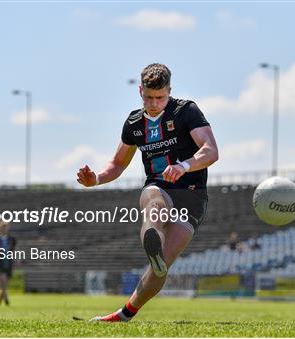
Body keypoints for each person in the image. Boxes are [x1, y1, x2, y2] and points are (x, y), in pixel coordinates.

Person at [77, 63, 218, 322]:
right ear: (140, 91)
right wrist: (95, 179)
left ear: (170, 91)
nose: (154, 103)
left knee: (161, 266)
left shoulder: (186, 111)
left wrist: (184, 166)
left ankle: (126, 312)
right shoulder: (133, 123)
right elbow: (118, 164)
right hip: (159, 186)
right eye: (149, 97)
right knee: (154, 201)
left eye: (160, 97)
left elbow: (210, 150)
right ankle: (153, 236)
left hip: (192, 193)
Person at [0, 221, 17, 306]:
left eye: (6, 227)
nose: (4, 228)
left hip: (8, 263)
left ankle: (0, 299)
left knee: (5, 284)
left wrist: (17, 261)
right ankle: (6, 300)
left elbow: (14, 252)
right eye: (2, 227)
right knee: (3, 281)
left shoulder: (12, 239)